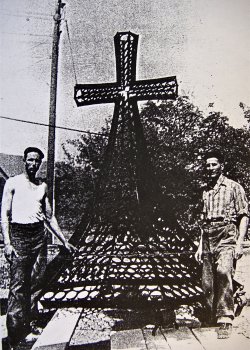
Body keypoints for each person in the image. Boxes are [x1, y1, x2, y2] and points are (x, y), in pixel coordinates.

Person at [1, 147, 76, 347]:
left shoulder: (42, 186)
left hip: (38, 237)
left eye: (37, 161)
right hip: (19, 236)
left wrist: (63, 240)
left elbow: (49, 217)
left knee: (36, 282)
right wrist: (7, 243)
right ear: (24, 161)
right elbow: (4, 216)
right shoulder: (13, 183)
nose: (33, 164)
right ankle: (15, 336)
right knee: (18, 286)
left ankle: (29, 323)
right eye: (30, 160)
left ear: (40, 163)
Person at [195, 149, 249, 339]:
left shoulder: (234, 187)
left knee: (223, 271)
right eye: (207, 165)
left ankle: (225, 318)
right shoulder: (204, 191)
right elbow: (202, 222)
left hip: (227, 234)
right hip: (208, 235)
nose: (210, 168)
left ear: (221, 166)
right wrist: (200, 245)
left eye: (214, 164)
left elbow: (243, 216)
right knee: (207, 280)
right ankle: (213, 315)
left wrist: (240, 243)